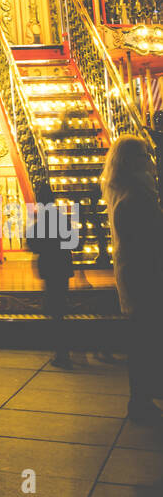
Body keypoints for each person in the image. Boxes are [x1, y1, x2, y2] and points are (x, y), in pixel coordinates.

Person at [100, 135, 163, 424]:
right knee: (145, 341)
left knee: (144, 340)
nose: (150, 161)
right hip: (146, 277)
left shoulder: (124, 192)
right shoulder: (135, 197)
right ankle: (140, 400)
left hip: (136, 276)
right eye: (145, 155)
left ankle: (143, 396)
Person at [26, 180, 74, 370]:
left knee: (55, 309)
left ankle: (62, 352)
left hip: (49, 265)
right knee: (60, 305)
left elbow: (33, 245)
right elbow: (73, 242)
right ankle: (63, 349)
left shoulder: (39, 222)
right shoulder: (63, 220)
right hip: (62, 264)